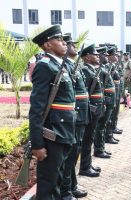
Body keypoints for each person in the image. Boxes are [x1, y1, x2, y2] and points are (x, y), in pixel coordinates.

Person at [30, 25, 76, 200]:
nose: (65, 43)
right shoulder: (44, 66)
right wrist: (37, 144)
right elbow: (36, 107)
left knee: (57, 178)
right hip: (52, 134)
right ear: (47, 45)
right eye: (60, 40)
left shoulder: (60, 66)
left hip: (64, 131)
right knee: (48, 183)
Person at [60, 34, 88, 199]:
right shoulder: (65, 66)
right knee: (70, 155)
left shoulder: (73, 66)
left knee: (74, 153)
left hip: (78, 115)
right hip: (72, 116)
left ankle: (71, 186)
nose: (73, 46)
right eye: (70, 44)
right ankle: (66, 190)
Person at [79, 44, 102, 177]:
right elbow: (87, 93)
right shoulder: (86, 71)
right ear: (87, 57)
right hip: (91, 109)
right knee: (87, 138)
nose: (97, 56)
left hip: (95, 109)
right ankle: (84, 167)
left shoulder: (91, 70)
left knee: (90, 137)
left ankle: (88, 164)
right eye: (95, 54)